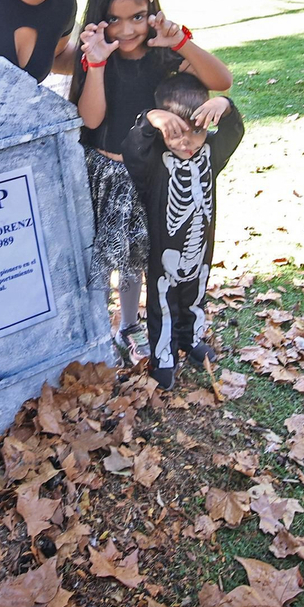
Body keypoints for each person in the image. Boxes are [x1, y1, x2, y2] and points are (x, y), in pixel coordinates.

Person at [69, 0, 233, 361]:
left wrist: (181, 43)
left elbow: (222, 80)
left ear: (151, 10)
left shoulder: (165, 56)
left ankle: (132, 325)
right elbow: (91, 119)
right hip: (106, 174)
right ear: (100, 18)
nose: (127, 30)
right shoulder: (97, 55)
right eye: (115, 19)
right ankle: (100, 331)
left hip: (152, 172)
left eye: (138, 17)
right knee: (105, 257)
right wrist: (96, 63)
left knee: (142, 256)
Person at [122, 73, 244, 390]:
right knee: (162, 302)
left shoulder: (211, 153)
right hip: (162, 252)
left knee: (195, 295)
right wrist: (150, 119)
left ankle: (191, 340)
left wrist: (226, 105)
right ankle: (164, 357)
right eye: (176, 133)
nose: (187, 142)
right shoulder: (154, 161)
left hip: (201, 247)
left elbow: (234, 131)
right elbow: (132, 149)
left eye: (197, 131)